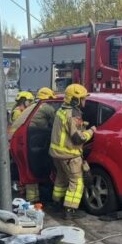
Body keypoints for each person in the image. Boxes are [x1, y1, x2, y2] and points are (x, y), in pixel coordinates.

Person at [49, 84, 95, 220]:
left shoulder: (62, 109)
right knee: (77, 182)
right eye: (83, 98)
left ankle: (57, 203)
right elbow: (78, 139)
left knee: (61, 178)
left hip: (57, 154)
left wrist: (81, 125)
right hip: (69, 155)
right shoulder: (73, 114)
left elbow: (66, 129)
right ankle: (70, 210)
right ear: (75, 100)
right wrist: (91, 131)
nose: (85, 101)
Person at [23, 87, 58, 203]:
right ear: (48, 98)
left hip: (26, 140)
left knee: (29, 170)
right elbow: (58, 122)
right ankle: (34, 200)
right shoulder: (46, 107)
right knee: (34, 169)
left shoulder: (33, 106)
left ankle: (32, 199)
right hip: (34, 139)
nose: (52, 102)